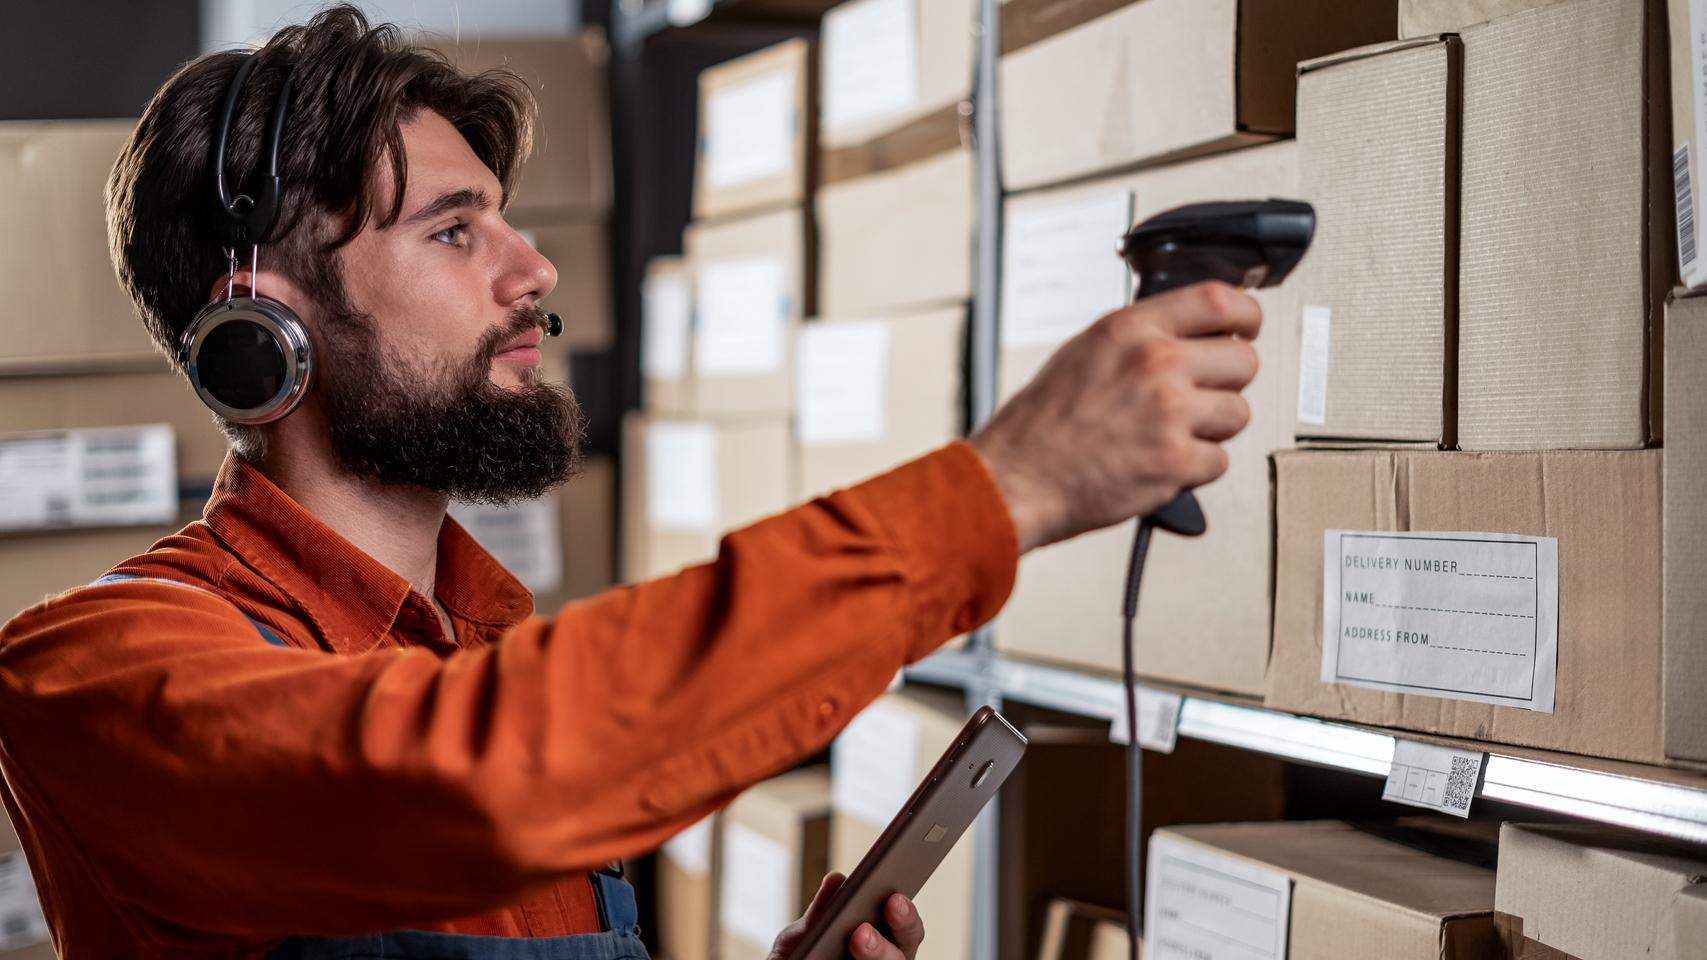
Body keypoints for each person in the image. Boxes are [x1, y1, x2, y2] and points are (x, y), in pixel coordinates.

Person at [0, 7, 1263, 959]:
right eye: (453, 230)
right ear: (262, 325)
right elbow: (475, 781)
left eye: (509, 220)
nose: (537, 269)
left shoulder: (487, 647)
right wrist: (1007, 486)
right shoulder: (97, 670)